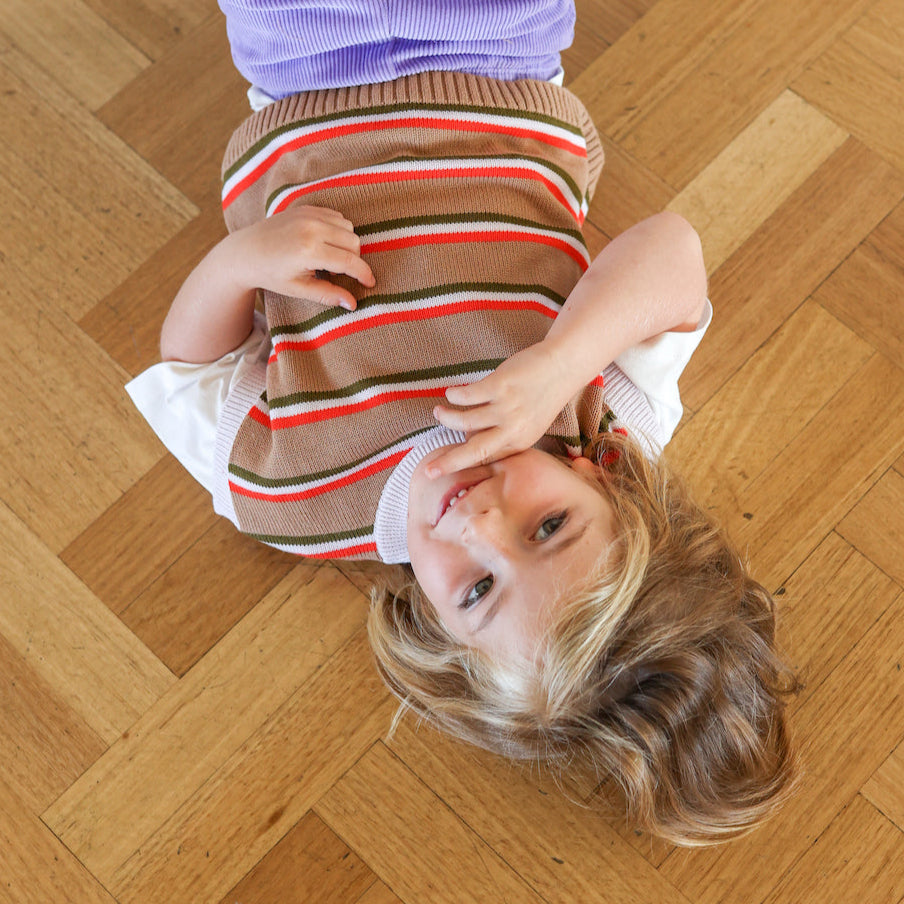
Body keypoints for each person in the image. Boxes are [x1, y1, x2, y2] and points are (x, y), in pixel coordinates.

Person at [127, 0, 799, 845]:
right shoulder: (605, 422)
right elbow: (674, 251)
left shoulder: (294, 496)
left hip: (304, 69)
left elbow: (191, 371)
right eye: (548, 526)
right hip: (498, 51)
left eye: (478, 589)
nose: (482, 521)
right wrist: (562, 356)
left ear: (443, 639)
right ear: (604, 483)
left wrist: (238, 266)